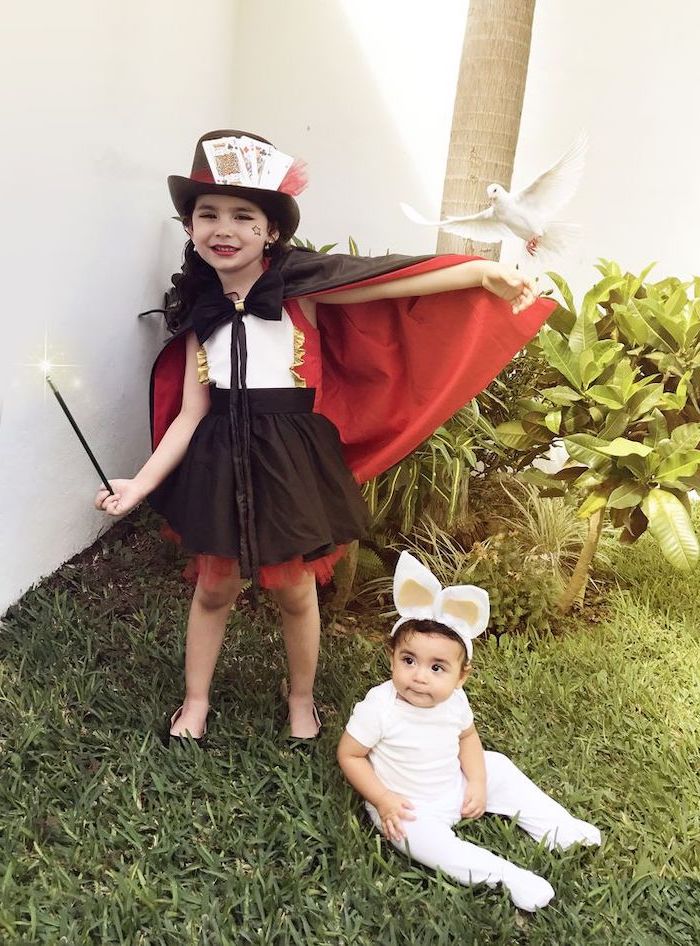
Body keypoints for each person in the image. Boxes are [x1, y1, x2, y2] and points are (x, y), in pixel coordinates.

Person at [95, 129, 555, 743]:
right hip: (218, 461)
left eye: (242, 216)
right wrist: (139, 483)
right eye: (207, 214)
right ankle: (196, 699)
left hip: (289, 462)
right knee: (214, 587)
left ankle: (302, 697)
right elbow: (188, 415)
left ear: (271, 232)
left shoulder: (302, 292)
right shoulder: (198, 313)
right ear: (190, 228)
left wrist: (479, 273)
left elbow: (388, 281)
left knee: (294, 589)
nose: (222, 228)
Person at [337, 552, 601, 912]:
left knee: (499, 765)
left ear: (461, 676)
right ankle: (507, 876)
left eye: (438, 667)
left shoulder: (455, 701)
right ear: (392, 658)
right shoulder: (380, 706)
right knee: (421, 841)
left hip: (454, 786)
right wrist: (382, 799)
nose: (419, 676)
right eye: (408, 660)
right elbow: (350, 755)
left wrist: (476, 782)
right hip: (408, 805)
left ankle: (559, 828)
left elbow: (467, 738)